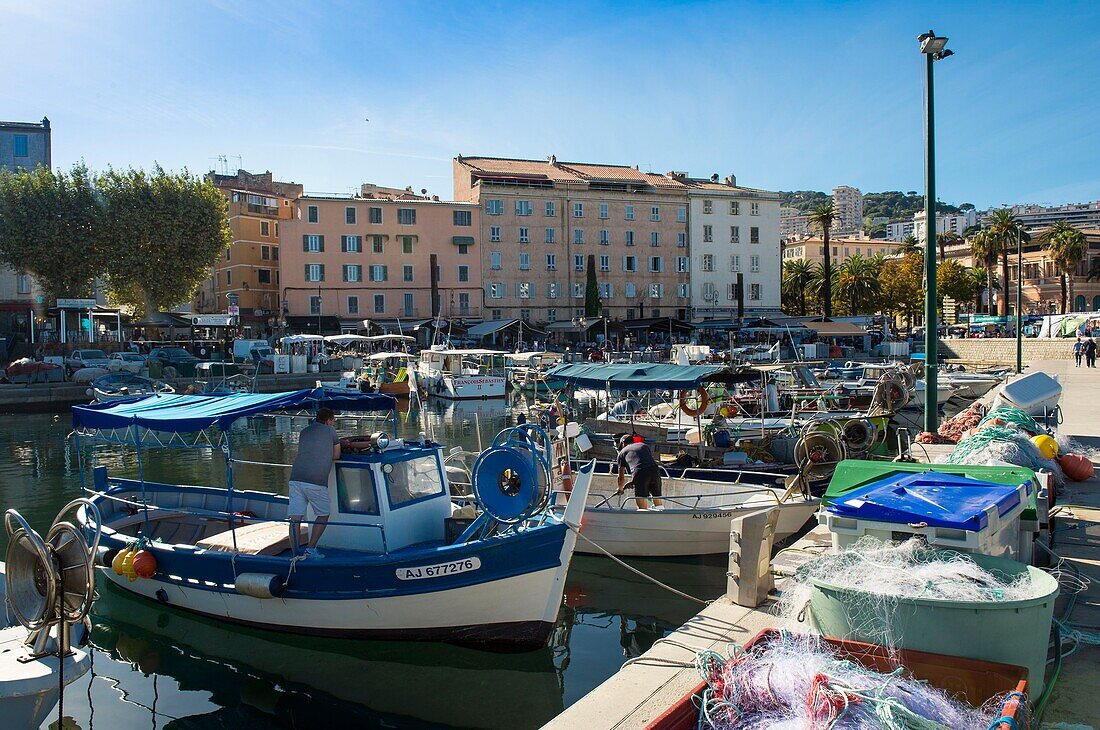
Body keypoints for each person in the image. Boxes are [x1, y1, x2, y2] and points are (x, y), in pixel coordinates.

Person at [288, 407, 341, 557]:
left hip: (295, 478)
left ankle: (295, 554)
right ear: (329, 420)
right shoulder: (330, 431)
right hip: (316, 481)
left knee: (295, 519)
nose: (333, 424)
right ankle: (310, 549)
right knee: (324, 514)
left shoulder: (304, 432)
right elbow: (336, 455)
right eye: (333, 421)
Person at [615, 433, 663, 511]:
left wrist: (620, 489)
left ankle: (643, 516)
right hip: (655, 470)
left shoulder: (622, 453)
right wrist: (634, 481)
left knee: (641, 501)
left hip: (639, 473)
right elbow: (644, 462)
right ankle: (661, 514)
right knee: (656, 496)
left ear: (623, 443)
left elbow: (621, 477)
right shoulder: (644, 446)